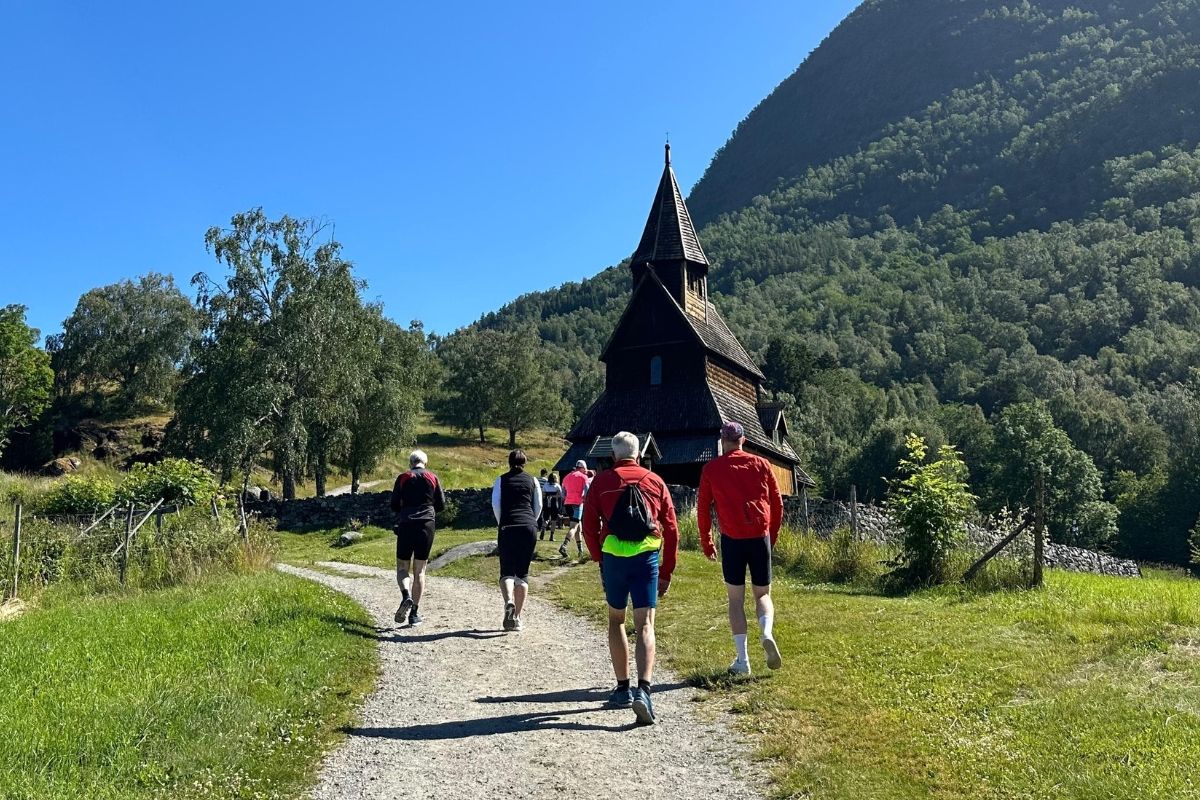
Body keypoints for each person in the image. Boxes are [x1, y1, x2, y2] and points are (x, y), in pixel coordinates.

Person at [582, 432, 679, 726]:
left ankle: (622, 688)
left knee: (616, 620)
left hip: (613, 557)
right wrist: (667, 570)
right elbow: (672, 528)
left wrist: (599, 557)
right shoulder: (655, 481)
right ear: (638, 454)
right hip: (646, 557)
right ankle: (644, 690)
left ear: (613, 456)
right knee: (645, 624)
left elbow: (588, 524)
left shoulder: (601, 481)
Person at [697, 422, 784, 675]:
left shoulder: (711, 469)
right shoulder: (761, 464)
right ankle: (766, 632)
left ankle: (742, 660)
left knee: (735, 600)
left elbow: (704, 509)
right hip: (759, 535)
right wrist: (772, 535)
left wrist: (707, 541)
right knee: (763, 595)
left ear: (722, 441)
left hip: (732, 538)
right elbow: (776, 503)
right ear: (743, 440)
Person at [390, 449, 446, 627]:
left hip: (406, 523)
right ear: (425, 463)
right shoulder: (432, 477)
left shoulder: (403, 477)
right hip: (426, 525)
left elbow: (393, 504)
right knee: (420, 570)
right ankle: (414, 614)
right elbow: (441, 504)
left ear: (410, 462)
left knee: (402, 567)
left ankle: (405, 595)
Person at [492, 449, 543, 632]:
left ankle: (509, 602)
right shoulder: (533, 480)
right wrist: (532, 522)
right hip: (528, 526)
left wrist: (502, 522)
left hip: (507, 526)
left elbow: (496, 504)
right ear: (525, 462)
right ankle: (517, 618)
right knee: (522, 573)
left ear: (509, 462)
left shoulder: (501, 480)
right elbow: (538, 505)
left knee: (506, 571)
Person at [560, 460, 592, 558]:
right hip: (578, 504)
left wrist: (566, 499)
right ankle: (564, 546)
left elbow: (563, 492)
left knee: (578, 526)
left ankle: (580, 550)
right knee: (573, 527)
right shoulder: (584, 477)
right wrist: (585, 501)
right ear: (582, 468)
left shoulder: (566, 477)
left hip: (568, 504)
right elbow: (587, 492)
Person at [542, 472, 563, 539]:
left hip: (546, 504)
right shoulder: (557, 486)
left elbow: (543, 495)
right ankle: (551, 536)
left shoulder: (545, 485)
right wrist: (553, 496)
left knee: (546, 519)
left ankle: (543, 529)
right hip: (554, 504)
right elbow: (560, 495)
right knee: (553, 520)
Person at [536, 469, 550, 536]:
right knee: (545, 512)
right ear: (545, 473)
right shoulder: (546, 480)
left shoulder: (537, 479)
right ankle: (544, 526)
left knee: (539, 512)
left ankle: (538, 526)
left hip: (538, 497)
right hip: (545, 498)